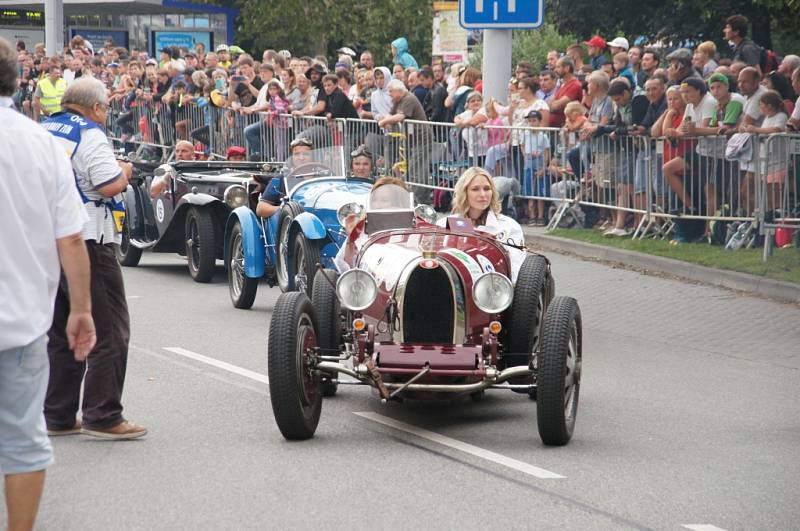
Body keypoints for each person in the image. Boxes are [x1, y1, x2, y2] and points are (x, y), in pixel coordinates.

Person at [0, 37, 95, 531]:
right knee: (22, 441)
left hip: (20, 323)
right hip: (19, 323)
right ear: (17, 81)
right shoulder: (41, 143)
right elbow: (72, 237)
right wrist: (81, 307)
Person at [41, 77, 147, 440]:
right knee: (110, 330)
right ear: (96, 108)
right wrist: (127, 172)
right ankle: (103, 414)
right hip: (88, 238)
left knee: (60, 332)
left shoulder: (45, 127)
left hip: (48, 239)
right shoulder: (90, 133)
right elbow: (108, 184)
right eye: (105, 108)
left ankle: (57, 413)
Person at [440, 167, 525, 282]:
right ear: (464, 192)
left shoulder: (509, 226)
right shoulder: (446, 223)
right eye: (475, 189)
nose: (483, 194)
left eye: (487, 189)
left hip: (495, 289)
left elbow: (516, 269)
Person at [256, 137, 315, 218]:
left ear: (313, 156)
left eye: (306, 154)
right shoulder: (281, 179)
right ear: (292, 157)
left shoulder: (324, 176)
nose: (301, 158)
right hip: (290, 224)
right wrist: (287, 210)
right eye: (297, 154)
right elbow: (261, 208)